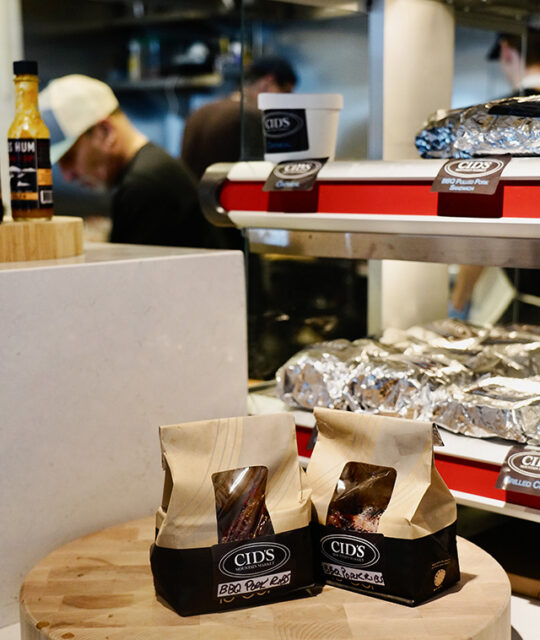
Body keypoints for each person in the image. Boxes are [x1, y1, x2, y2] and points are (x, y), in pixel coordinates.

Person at [39, 74, 213, 248]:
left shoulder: (143, 186)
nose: (67, 176)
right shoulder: (152, 171)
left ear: (105, 132)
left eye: (69, 158)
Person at [450, 30, 540, 323]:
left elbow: (478, 224)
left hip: (523, 313)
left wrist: (458, 303)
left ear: (507, 53)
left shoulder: (493, 122)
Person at [181, 56, 298, 184]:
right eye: (285, 92)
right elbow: (262, 177)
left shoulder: (200, 111)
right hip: (226, 200)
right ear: (267, 82)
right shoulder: (254, 116)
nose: (286, 102)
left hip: (193, 199)